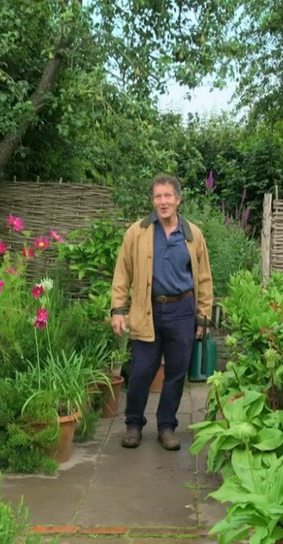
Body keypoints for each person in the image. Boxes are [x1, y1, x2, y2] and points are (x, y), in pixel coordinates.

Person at [110, 174, 214, 450]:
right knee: (142, 370)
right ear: (153, 200)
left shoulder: (193, 235)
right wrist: (118, 310)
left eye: (168, 196)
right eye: (158, 197)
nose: (163, 202)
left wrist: (203, 316)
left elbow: (203, 278)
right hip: (147, 309)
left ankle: (167, 427)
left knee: (176, 373)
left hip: (182, 310)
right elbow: (122, 273)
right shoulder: (137, 232)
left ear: (178, 199)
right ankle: (133, 424)